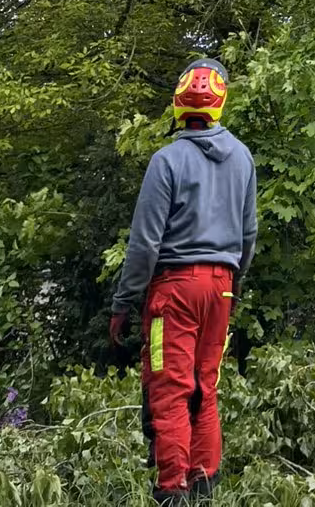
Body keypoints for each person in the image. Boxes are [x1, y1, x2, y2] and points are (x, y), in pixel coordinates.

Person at [110, 57, 257, 506]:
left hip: (175, 288)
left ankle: (171, 491)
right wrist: (229, 280)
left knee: (171, 389)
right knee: (205, 384)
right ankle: (204, 485)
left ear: (179, 103)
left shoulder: (166, 160)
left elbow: (144, 243)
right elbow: (248, 234)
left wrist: (124, 302)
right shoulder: (243, 158)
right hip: (222, 286)